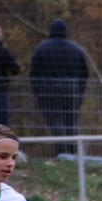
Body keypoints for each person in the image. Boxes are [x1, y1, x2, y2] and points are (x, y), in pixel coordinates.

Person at [29, 19, 89, 157]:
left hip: (48, 91)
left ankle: (61, 153)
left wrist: (37, 92)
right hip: (71, 90)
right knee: (71, 122)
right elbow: (84, 74)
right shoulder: (76, 49)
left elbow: (34, 73)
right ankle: (73, 152)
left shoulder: (41, 48)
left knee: (56, 121)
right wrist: (79, 91)